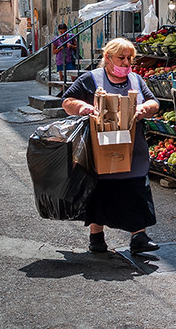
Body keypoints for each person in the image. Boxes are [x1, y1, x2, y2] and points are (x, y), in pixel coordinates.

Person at [61, 37, 162, 255]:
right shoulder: (91, 79)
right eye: (121, 58)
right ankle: (96, 236)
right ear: (107, 57)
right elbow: (67, 101)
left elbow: (154, 102)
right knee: (101, 191)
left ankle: (139, 236)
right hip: (101, 150)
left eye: (130, 58)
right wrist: (82, 107)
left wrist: (145, 108)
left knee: (136, 188)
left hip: (132, 149)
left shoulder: (136, 80)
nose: (126, 63)